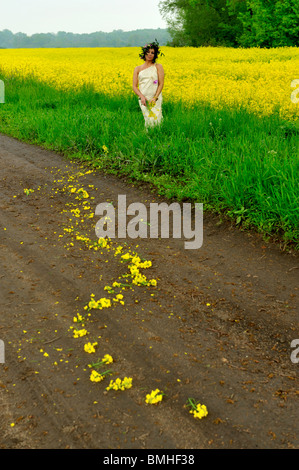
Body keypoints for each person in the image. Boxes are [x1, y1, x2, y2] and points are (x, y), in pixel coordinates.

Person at [133, 40, 164, 128]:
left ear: (155, 55)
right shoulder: (137, 68)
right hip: (143, 98)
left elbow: (161, 84)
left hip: (155, 97)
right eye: (148, 52)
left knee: (157, 118)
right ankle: (149, 136)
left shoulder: (158, 66)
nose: (150, 54)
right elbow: (134, 86)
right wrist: (142, 97)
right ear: (144, 53)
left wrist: (155, 97)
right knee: (147, 118)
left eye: (152, 53)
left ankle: (158, 135)